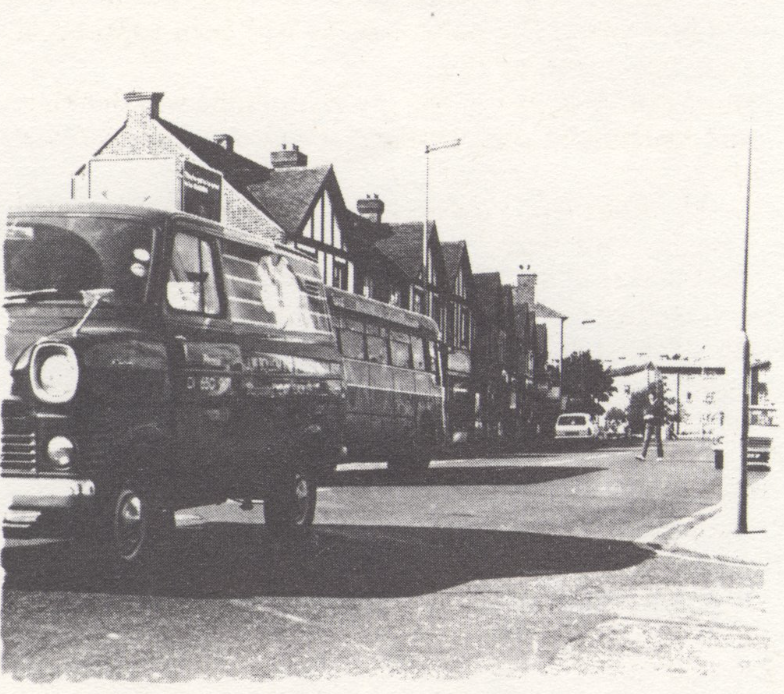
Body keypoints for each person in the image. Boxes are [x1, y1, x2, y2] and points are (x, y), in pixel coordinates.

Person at [636, 390, 665, 461]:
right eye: (649, 395)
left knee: (658, 439)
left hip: (656, 423)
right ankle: (643, 455)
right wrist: (645, 416)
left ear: (654, 395)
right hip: (649, 423)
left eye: (651, 395)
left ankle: (660, 456)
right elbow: (644, 412)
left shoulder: (659, 403)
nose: (649, 396)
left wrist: (653, 416)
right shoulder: (647, 404)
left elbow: (661, 414)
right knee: (646, 439)